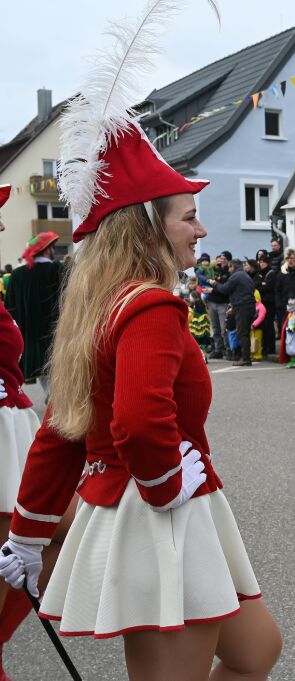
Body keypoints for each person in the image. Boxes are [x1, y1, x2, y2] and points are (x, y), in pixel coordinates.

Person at [0, 31, 280, 675]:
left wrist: (27, 532)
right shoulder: (151, 305)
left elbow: (58, 433)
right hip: (162, 516)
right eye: (188, 216)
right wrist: (167, 482)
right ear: (149, 227)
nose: (201, 229)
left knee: (258, 648)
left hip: (162, 505)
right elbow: (133, 419)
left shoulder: (100, 310)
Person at [0, 186, 75, 681]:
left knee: (53, 531)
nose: (4, 226)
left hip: (13, 420)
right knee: (35, 538)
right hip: (5, 427)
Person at [4, 231, 62, 397]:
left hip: (29, 334)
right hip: (56, 332)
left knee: (43, 370)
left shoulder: (17, 275)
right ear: (48, 250)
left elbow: (10, 308)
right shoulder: (58, 269)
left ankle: (51, 395)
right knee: (56, 367)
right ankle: (54, 397)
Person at [211, 259, 257, 366]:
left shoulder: (236, 276)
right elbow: (242, 292)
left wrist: (214, 284)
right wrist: (235, 307)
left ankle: (245, 358)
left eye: (230, 267)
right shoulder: (245, 275)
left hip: (243, 307)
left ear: (233, 267)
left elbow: (225, 289)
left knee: (242, 333)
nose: (229, 270)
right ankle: (245, 357)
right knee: (245, 332)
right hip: (247, 306)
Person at [254, 253, 278, 360]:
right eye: (260, 262)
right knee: (261, 325)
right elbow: (257, 285)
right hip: (261, 303)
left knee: (269, 325)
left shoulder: (271, 273)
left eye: (263, 262)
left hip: (269, 303)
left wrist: (262, 286)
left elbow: (268, 287)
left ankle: (270, 348)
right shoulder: (258, 274)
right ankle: (263, 347)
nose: (261, 264)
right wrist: (261, 285)